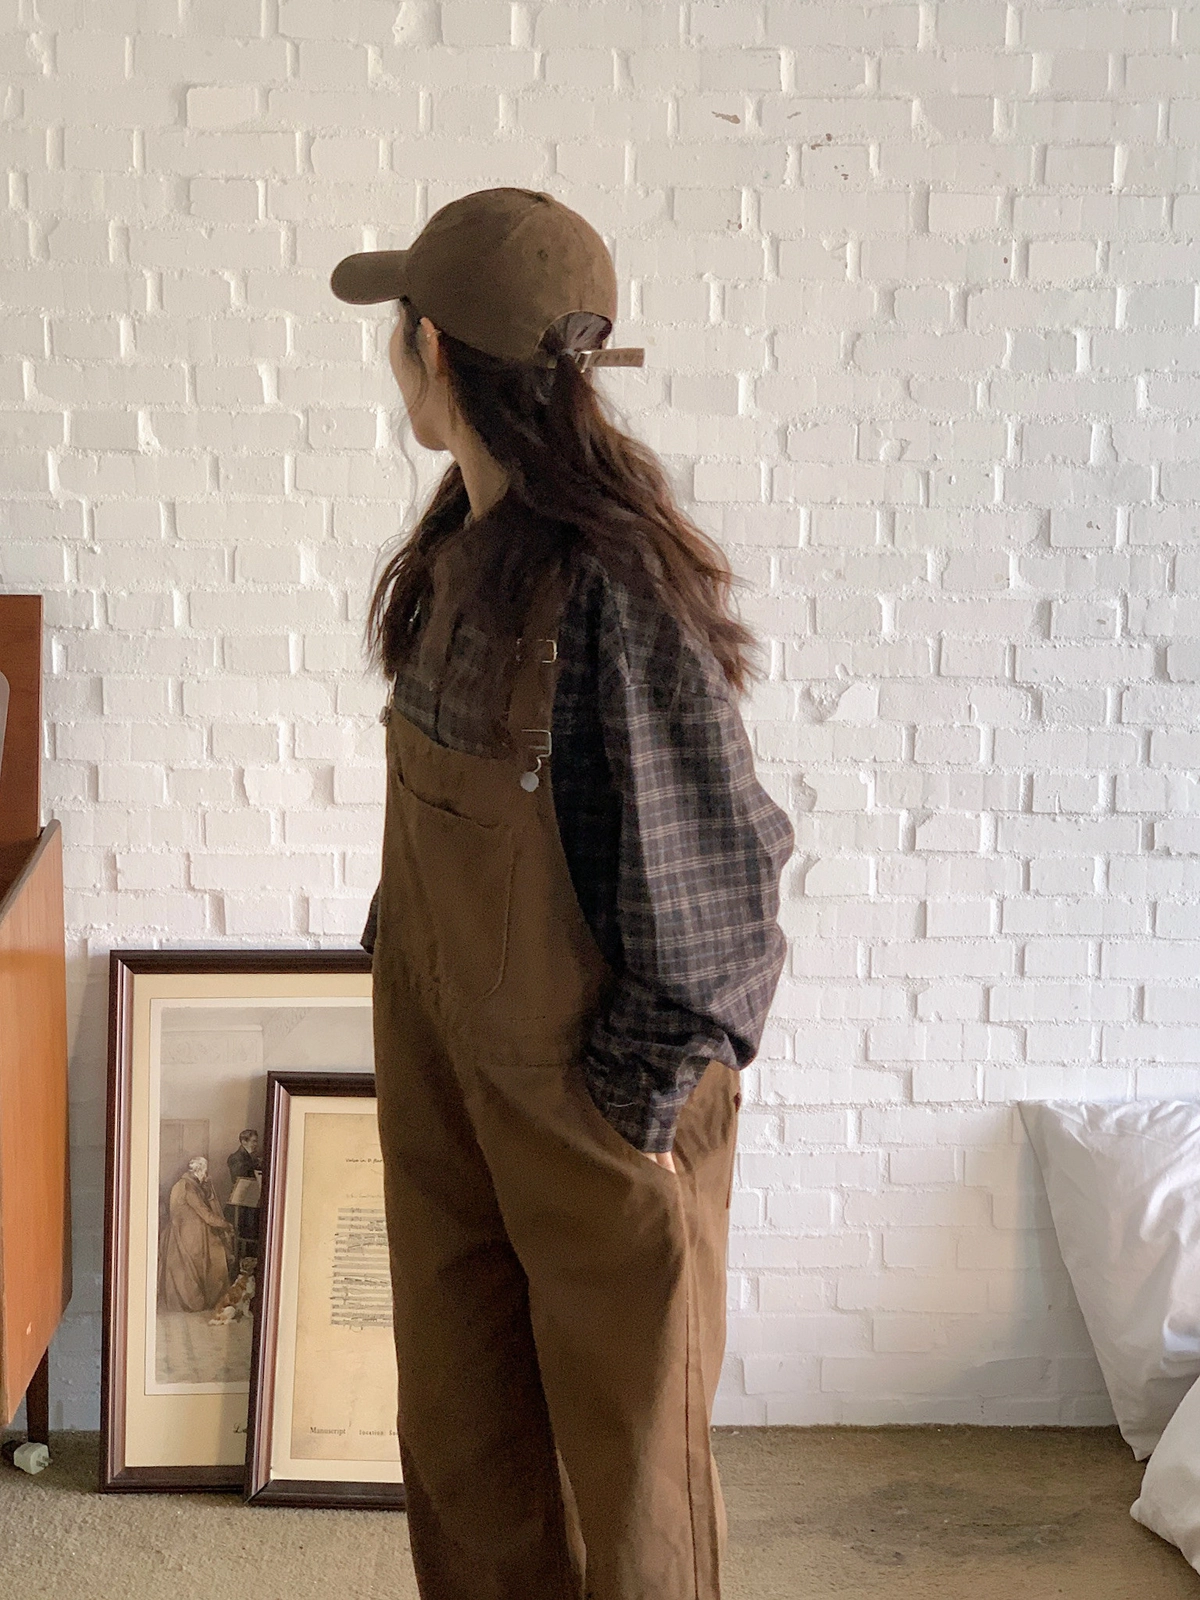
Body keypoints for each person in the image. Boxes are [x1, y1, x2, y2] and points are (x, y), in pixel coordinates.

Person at [332, 188, 793, 1600]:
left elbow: (727, 895)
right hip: (448, 1078)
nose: (394, 359)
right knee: (466, 1442)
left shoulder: (612, 587)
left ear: (432, 350)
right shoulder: (458, 551)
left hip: (587, 1103)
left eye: (397, 333)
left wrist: (622, 1120)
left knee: (631, 1485)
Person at [158, 1156, 233, 1314]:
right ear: (199, 1171)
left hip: (181, 1233)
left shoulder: (185, 1184)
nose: (206, 1175)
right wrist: (225, 1224)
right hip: (188, 1236)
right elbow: (206, 1214)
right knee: (216, 1257)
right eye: (205, 1172)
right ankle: (201, 1302)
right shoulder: (187, 1187)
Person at [224, 1128, 262, 1266]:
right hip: (241, 1202)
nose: (256, 1144)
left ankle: (250, 1264)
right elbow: (240, 1175)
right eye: (253, 1141)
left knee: (253, 1233)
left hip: (251, 1202)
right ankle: (241, 1265)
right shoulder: (235, 1158)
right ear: (243, 1141)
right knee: (242, 1235)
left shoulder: (252, 1157)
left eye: (256, 1141)